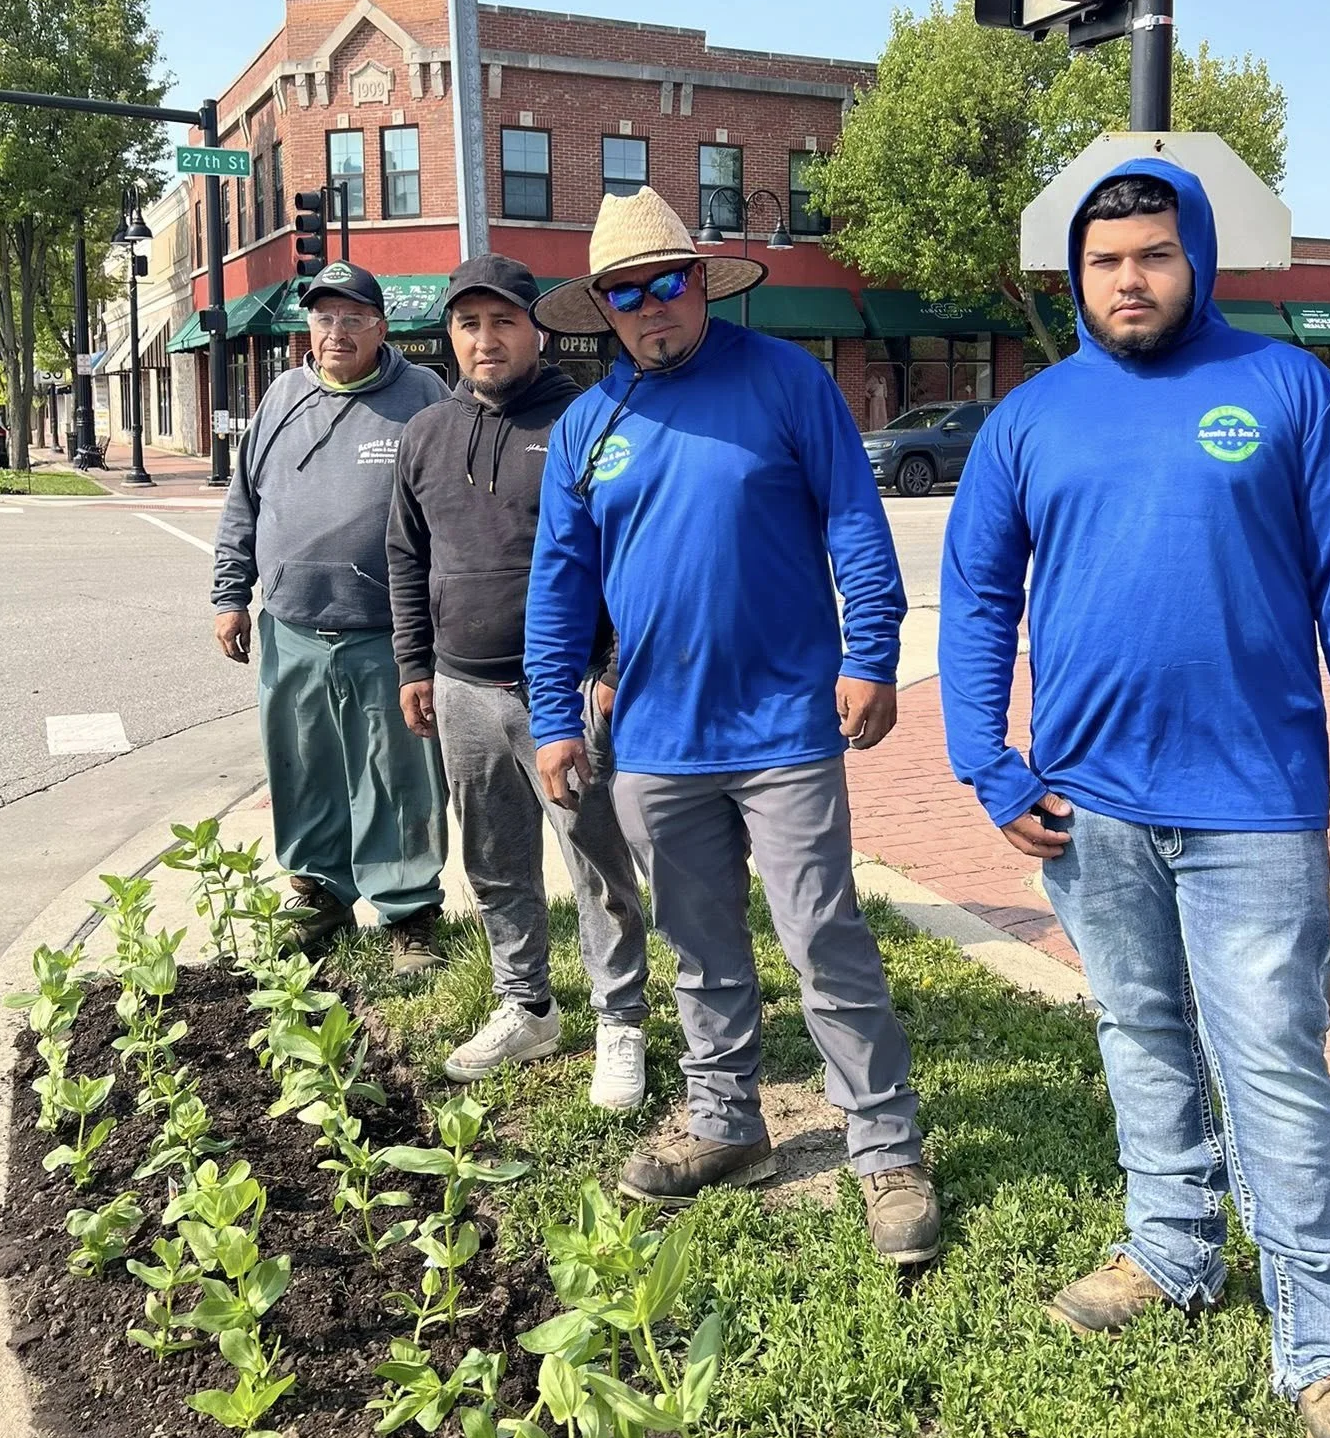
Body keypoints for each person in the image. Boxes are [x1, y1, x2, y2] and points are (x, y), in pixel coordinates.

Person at [939, 160, 1330, 1438]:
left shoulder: (1287, 390)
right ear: (1075, 278)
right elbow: (976, 594)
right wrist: (987, 761)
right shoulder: (1031, 418)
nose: (1129, 279)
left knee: (1271, 1059)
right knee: (1137, 1029)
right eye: (1104, 262)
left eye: (1152, 254)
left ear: (1195, 257)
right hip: (1086, 801)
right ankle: (1173, 1248)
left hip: (1252, 801)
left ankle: (1323, 1346)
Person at [523, 186, 939, 1265]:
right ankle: (727, 1122)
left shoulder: (789, 382)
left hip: (786, 725)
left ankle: (886, 1148)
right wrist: (556, 716)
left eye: (666, 282)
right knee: (699, 946)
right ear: (603, 310)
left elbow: (854, 521)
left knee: (824, 938)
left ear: (702, 281)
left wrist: (870, 652)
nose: (650, 307)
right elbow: (560, 587)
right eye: (625, 294)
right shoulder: (587, 427)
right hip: (655, 740)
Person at [386, 253, 650, 1108]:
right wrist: (415, 663)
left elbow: (628, 553)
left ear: (537, 329)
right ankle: (525, 1004)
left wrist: (610, 667)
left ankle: (620, 1018)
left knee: (596, 863)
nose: (486, 339)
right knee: (494, 859)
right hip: (461, 688)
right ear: (450, 335)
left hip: (563, 694)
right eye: (469, 324)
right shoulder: (427, 432)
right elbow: (406, 555)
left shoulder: (584, 420)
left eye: (503, 321)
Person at [211, 261, 451, 975]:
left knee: (397, 776)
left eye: (352, 318)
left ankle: (409, 912)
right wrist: (230, 595)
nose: (336, 331)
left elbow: (449, 514)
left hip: (388, 633)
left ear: (381, 326)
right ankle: (319, 894)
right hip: (291, 629)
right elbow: (243, 502)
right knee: (304, 770)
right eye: (324, 318)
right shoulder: (282, 396)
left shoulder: (423, 397)